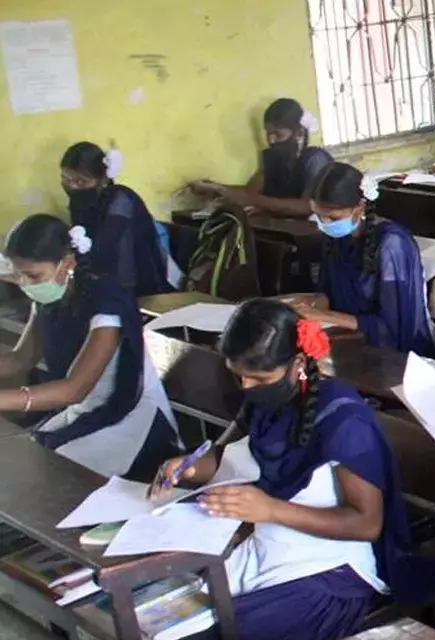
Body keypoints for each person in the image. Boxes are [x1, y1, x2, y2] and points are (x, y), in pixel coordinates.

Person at [112, 299, 428, 640]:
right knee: (150, 634)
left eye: (257, 378)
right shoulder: (265, 399)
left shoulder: (344, 419)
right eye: (238, 376)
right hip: (267, 547)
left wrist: (270, 509)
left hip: (333, 573)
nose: (246, 387)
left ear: (298, 362)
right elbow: (226, 455)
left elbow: (366, 522)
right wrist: (189, 467)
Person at [0, 216, 179, 479]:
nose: (25, 283)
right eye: (18, 275)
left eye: (32, 275)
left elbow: (75, 389)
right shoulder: (51, 295)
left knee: (45, 471)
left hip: (126, 415)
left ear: (67, 263)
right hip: (82, 410)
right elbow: (21, 358)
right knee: (27, 459)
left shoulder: (106, 305)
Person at [289, 163, 435, 357]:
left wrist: (325, 315)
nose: (324, 224)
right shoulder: (337, 238)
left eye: (333, 218)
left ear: (360, 208)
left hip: (393, 354)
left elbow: (392, 329)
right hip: (349, 339)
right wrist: (311, 304)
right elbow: (326, 292)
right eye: (318, 216)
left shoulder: (392, 245)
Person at [59, 142, 172, 298]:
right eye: (65, 179)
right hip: (102, 276)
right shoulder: (80, 201)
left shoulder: (121, 200)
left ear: (103, 179)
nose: (72, 186)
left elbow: (107, 249)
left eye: (81, 182)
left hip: (138, 286)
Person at [188, 98, 333, 218]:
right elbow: (250, 192)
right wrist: (216, 187)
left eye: (278, 134)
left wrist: (258, 202)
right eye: (268, 133)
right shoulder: (272, 159)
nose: (271, 140)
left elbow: (309, 206)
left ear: (298, 132)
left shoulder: (314, 159)